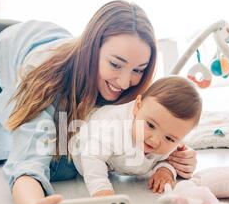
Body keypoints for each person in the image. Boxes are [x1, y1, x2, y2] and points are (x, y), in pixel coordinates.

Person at [0, 0, 197, 204]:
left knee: (72, 130)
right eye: (115, 64)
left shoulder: (134, 91)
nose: (123, 82)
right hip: (8, 50)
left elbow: (161, 122)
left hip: (59, 42)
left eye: (138, 70)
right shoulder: (41, 77)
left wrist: (174, 156)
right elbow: (26, 165)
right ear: (93, 49)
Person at [70, 76, 202, 197]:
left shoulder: (167, 132)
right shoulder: (115, 128)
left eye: (170, 139)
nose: (155, 141)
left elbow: (168, 159)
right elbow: (92, 156)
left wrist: (164, 171)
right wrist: (101, 190)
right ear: (137, 106)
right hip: (73, 148)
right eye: (150, 125)